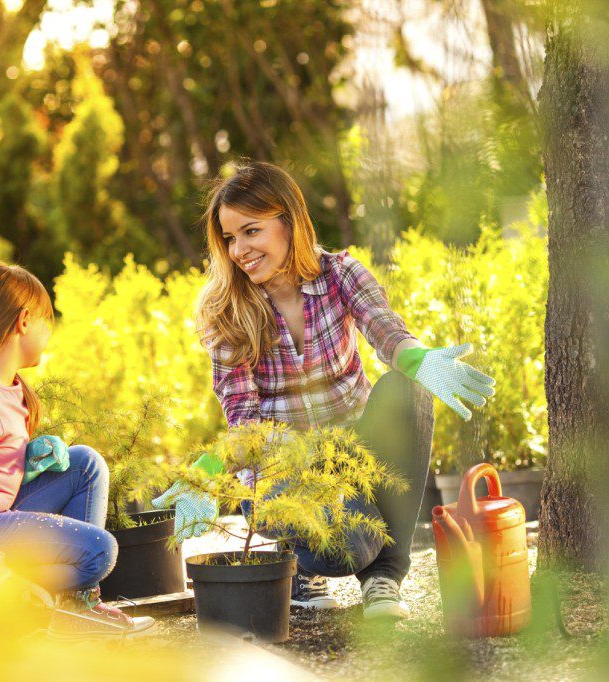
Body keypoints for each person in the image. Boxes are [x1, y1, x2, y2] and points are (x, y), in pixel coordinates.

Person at [154, 161, 494, 621]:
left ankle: (384, 580)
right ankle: (302, 566)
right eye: (230, 238)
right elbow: (244, 421)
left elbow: (386, 332)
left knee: (407, 389)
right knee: (347, 545)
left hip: (358, 459)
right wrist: (207, 472)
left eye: (251, 231)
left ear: (289, 221)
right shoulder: (225, 312)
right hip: (287, 474)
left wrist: (419, 360)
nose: (239, 250)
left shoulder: (341, 274)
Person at [0, 261, 154, 638]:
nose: (48, 333)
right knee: (99, 551)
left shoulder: (2, 384)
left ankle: (74, 605)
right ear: (23, 322)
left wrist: (24, 459)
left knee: (86, 464)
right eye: (45, 322)